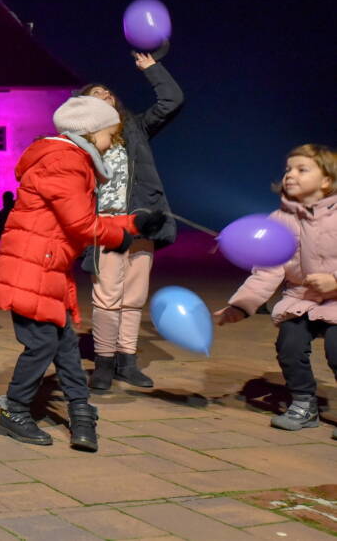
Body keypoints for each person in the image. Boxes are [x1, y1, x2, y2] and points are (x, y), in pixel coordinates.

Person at [0, 96, 164, 451]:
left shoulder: (68, 159)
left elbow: (75, 220)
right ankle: (14, 410)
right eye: (109, 135)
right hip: (32, 266)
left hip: (46, 264)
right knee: (41, 345)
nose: (111, 142)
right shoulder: (66, 161)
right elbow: (81, 223)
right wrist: (124, 234)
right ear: (90, 131)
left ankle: (81, 409)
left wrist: (134, 221)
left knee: (66, 345)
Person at [214, 144, 337, 434]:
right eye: (288, 169)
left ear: (327, 180)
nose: (290, 175)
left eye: (301, 169)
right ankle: (304, 403)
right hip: (301, 299)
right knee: (289, 346)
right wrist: (242, 306)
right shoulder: (280, 221)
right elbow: (267, 271)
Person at [80, 52, 184, 391]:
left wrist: (151, 68)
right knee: (107, 296)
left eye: (108, 93)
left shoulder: (135, 128)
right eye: (96, 95)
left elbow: (172, 100)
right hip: (105, 228)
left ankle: (127, 360)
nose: (106, 97)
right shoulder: (79, 143)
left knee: (134, 296)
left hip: (142, 224)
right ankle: (105, 362)